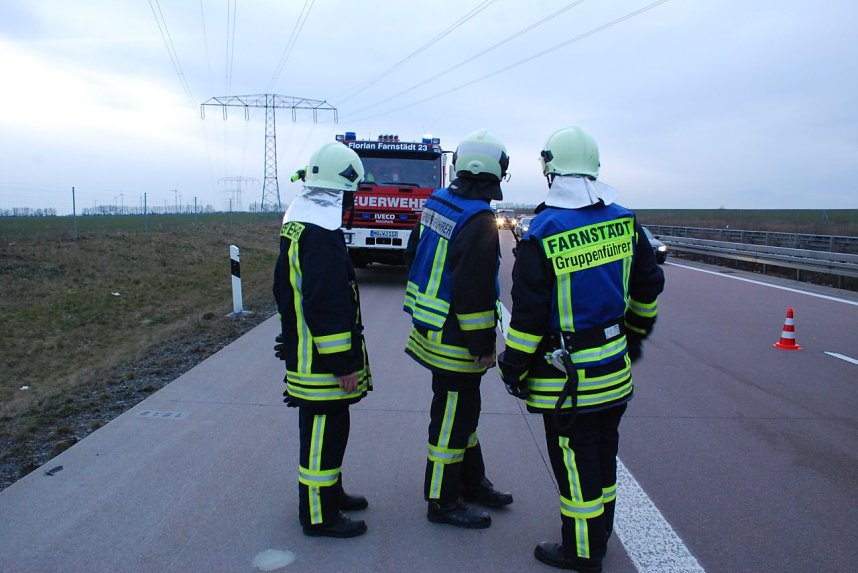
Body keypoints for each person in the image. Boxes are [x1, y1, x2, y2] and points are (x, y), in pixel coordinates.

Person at [498, 126, 664, 571]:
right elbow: (649, 287)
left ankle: (582, 552)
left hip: (568, 378)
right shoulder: (625, 220)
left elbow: (529, 316)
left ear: (551, 170)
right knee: (602, 454)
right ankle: (600, 535)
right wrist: (634, 334)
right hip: (615, 369)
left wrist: (512, 365)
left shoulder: (542, 232)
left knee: (574, 464)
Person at [403, 129, 513, 529]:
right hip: (457, 339)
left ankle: (471, 481)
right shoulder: (479, 219)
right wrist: (483, 345)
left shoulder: (438, 202)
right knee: (452, 415)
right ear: (493, 172)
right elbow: (474, 292)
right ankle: (442, 500)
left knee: (464, 410)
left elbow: (412, 254)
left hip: (431, 327)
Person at [273, 142, 372, 538]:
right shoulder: (322, 237)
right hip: (321, 363)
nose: (352, 202)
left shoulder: (298, 226)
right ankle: (318, 514)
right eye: (351, 194)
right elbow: (327, 304)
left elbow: (286, 290)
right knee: (321, 434)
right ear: (339, 191)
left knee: (333, 427)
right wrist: (343, 363)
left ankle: (330, 492)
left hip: (308, 352)